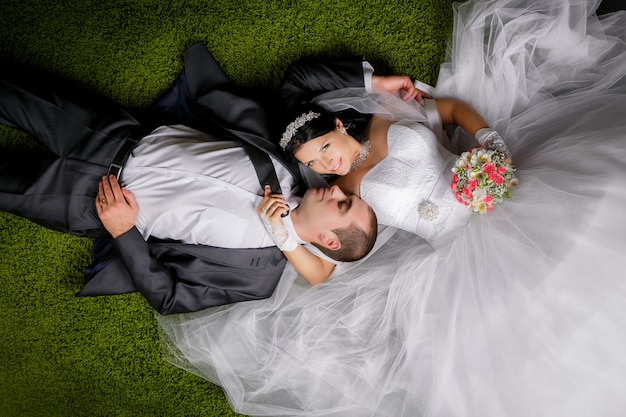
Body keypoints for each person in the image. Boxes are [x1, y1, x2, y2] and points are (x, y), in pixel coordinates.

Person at [157, 1, 626, 416]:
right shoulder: (350, 194)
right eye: (313, 163)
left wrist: (492, 146)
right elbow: (321, 274)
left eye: (322, 148)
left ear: (338, 123)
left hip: (504, 190)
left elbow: (454, 111)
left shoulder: (388, 117)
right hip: (460, 254)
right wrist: (285, 237)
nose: (325, 164)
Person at [0, 44, 378, 315]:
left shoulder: (256, 279)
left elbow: (169, 298)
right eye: (347, 195)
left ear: (328, 239)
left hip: (84, 201)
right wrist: (379, 83)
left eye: (343, 204)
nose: (337, 191)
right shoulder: (295, 161)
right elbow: (298, 84)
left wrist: (122, 232)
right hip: (107, 134)